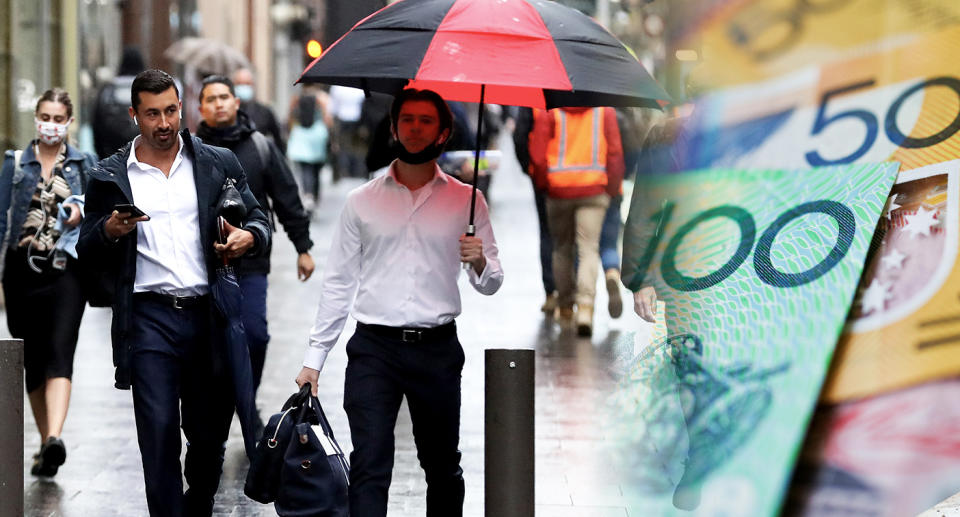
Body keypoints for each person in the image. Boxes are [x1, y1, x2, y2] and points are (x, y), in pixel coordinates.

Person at [295, 88, 503, 517]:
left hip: (437, 350)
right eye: (407, 119)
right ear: (393, 127)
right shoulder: (362, 201)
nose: (414, 128)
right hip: (375, 349)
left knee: (443, 467)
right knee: (369, 465)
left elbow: (492, 283)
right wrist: (314, 360)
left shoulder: (467, 200)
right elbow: (338, 282)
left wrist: (479, 259)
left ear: (443, 131)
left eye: (426, 120)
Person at [77, 69, 270, 517]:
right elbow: (87, 246)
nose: (163, 123)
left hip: (208, 315)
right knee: (158, 430)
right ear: (134, 115)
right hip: (148, 318)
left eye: (170, 111)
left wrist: (250, 237)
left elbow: (258, 217)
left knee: (207, 439)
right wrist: (108, 229)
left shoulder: (215, 162)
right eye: (151, 114)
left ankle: (199, 500)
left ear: (181, 108)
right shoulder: (110, 176)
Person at [195, 75, 315, 399]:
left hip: (251, 262)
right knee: (209, 344)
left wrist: (303, 247)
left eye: (224, 97)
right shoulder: (190, 151)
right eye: (211, 99)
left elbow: (287, 196)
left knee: (255, 336)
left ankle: (246, 399)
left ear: (236, 102)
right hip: (202, 265)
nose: (219, 103)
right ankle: (216, 411)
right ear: (200, 107)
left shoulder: (260, 146)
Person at [0, 88, 96, 477]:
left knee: (59, 350)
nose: (51, 125)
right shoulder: (14, 164)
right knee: (33, 361)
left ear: (69, 122)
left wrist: (82, 210)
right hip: (20, 271)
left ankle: (54, 436)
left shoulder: (83, 164)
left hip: (66, 271)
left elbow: (102, 209)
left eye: (59, 118)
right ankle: (46, 443)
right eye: (45, 117)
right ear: (35, 118)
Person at [529, 106, 624, 337]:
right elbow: (614, 153)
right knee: (589, 249)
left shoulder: (550, 112)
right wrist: (610, 189)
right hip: (594, 190)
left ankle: (566, 307)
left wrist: (545, 185)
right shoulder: (604, 112)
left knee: (561, 249)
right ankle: (585, 308)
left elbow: (538, 155)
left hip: (558, 191)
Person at [92, 47, 146, 159]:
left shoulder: (107, 90)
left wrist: (102, 155)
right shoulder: (149, 89)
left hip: (112, 154)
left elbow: (96, 123)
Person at [287, 85, 331, 212]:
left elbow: (290, 116)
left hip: (301, 138)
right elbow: (327, 119)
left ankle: (308, 194)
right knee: (316, 170)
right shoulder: (321, 99)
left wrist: (291, 132)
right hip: (317, 138)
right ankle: (314, 196)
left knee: (305, 168)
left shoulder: (296, 99)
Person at [231, 67, 286, 154]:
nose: (243, 87)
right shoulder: (227, 112)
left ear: (253, 85)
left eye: (247, 84)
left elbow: (279, 139)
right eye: (239, 84)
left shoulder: (264, 112)